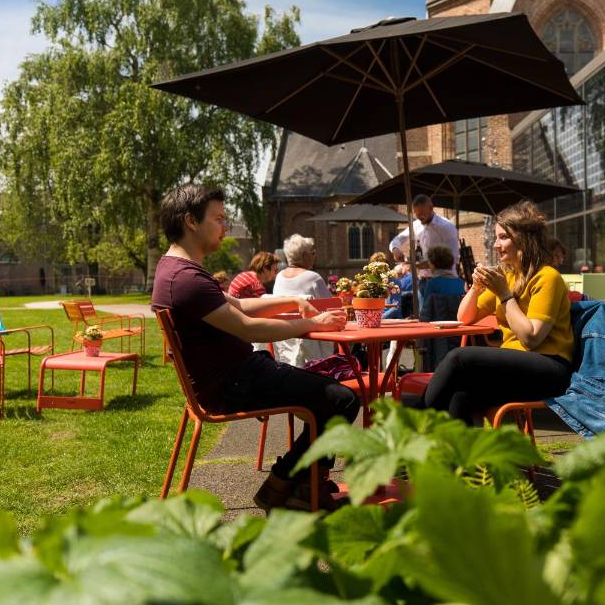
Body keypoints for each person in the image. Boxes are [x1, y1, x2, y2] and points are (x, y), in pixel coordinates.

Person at [150, 184, 359, 511]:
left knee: (329, 396)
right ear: (191, 221)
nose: (225, 227)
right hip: (232, 384)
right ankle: (285, 485)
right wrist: (312, 325)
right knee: (341, 398)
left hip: (235, 376)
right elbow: (246, 326)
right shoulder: (186, 279)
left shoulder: (177, 270)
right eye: (219, 219)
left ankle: (302, 486)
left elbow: (242, 306)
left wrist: (292, 300)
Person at [421, 201, 574, 425]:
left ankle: (414, 423)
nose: (496, 245)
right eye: (496, 237)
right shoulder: (508, 275)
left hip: (549, 368)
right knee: (460, 394)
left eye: (503, 237)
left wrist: (504, 294)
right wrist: (476, 288)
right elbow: (464, 318)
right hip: (518, 366)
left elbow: (531, 338)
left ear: (524, 239)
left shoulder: (547, 277)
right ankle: (457, 458)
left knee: (459, 358)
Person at [271, 234, 334, 366]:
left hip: (285, 342)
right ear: (304, 255)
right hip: (311, 343)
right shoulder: (312, 277)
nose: (314, 256)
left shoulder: (279, 277)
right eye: (313, 252)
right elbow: (333, 306)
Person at [389, 194, 459, 279]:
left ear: (431, 208)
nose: (420, 217)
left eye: (422, 213)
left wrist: (430, 264)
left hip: (444, 279)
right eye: (417, 214)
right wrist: (395, 249)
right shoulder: (416, 225)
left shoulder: (446, 227)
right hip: (423, 279)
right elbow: (398, 239)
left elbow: (454, 258)